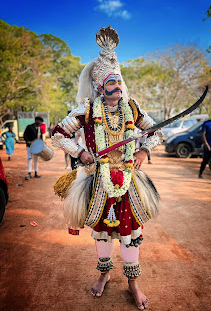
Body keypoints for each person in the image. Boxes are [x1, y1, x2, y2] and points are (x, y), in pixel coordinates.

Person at [52, 26, 162, 310]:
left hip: (129, 182)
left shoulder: (133, 109)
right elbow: (57, 135)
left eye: (118, 80)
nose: (116, 86)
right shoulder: (86, 111)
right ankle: (104, 274)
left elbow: (157, 132)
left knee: (130, 232)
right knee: (102, 232)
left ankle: (133, 285)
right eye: (110, 81)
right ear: (100, 87)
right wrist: (81, 153)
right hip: (98, 181)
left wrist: (143, 149)